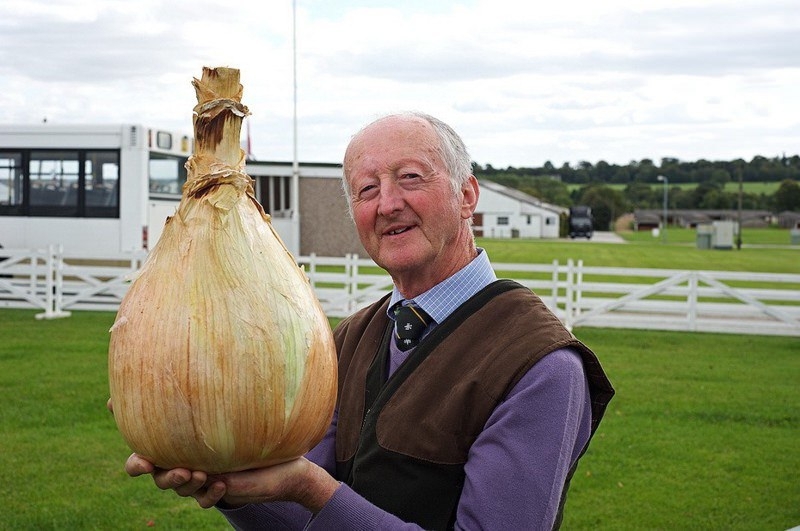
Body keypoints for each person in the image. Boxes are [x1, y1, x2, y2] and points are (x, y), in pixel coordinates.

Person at [124, 111, 615, 530]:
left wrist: (311, 488)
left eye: (411, 178)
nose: (387, 204)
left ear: (467, 196)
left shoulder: (540, 365)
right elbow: (306, 520)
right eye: (366, 189)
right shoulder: (351, 337)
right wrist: (227, 486)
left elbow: (316, 497)